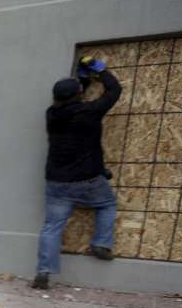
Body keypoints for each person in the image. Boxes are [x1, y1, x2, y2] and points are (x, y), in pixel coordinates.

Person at [32, 56, 122, 290]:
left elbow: (72, 98)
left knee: (52, 226)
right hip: (88, 180)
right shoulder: (90, 111)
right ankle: (101, 244)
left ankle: (43, 271)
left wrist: (82, 77)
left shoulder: (51, 115)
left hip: (57, 182)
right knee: (107, 205)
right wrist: (100, 70)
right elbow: (114, 90)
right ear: (79, 95)